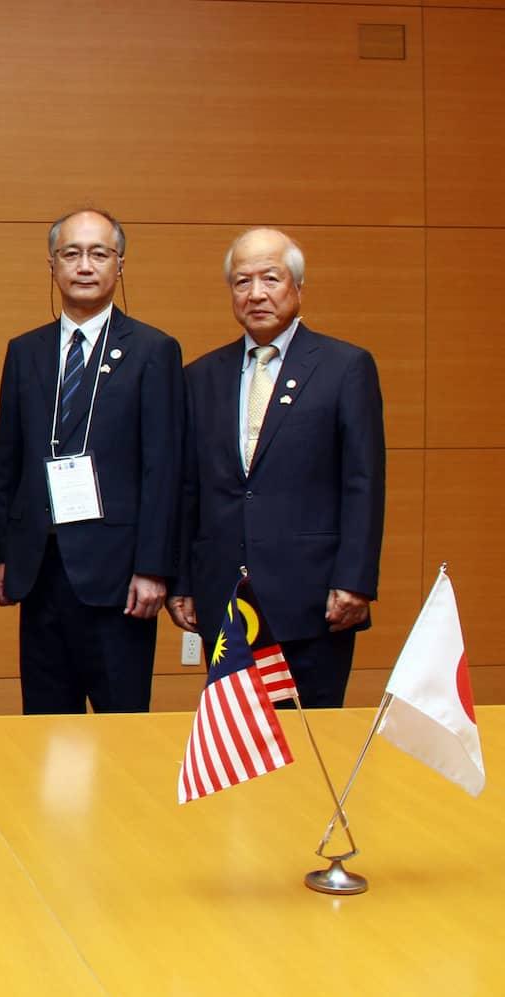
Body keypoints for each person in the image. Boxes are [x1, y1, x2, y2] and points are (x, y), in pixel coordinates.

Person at [170, 228, 384, 707]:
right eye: (242, 282)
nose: (257, 293)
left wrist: (354, 580)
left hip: (313, 599)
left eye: (271, 278)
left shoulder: (344, 367)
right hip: (225, 599)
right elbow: (190, 489)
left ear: (298, 287)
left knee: (310, 745)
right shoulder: (201, 376)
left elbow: (362, 483)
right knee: (236, 747)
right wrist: (182, 582)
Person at [0, 209, 183, 713]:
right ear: (52, 265)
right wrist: (5, 554)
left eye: (99, 253)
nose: (84, 265)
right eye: (71, 253)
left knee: (121, 727)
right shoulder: (24, 351)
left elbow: (163, 468)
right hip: (40, 569)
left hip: (120, 576)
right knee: (45, 724)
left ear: (120, 266)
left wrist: (154, 568)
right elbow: (8, 458)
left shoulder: (153, 350)